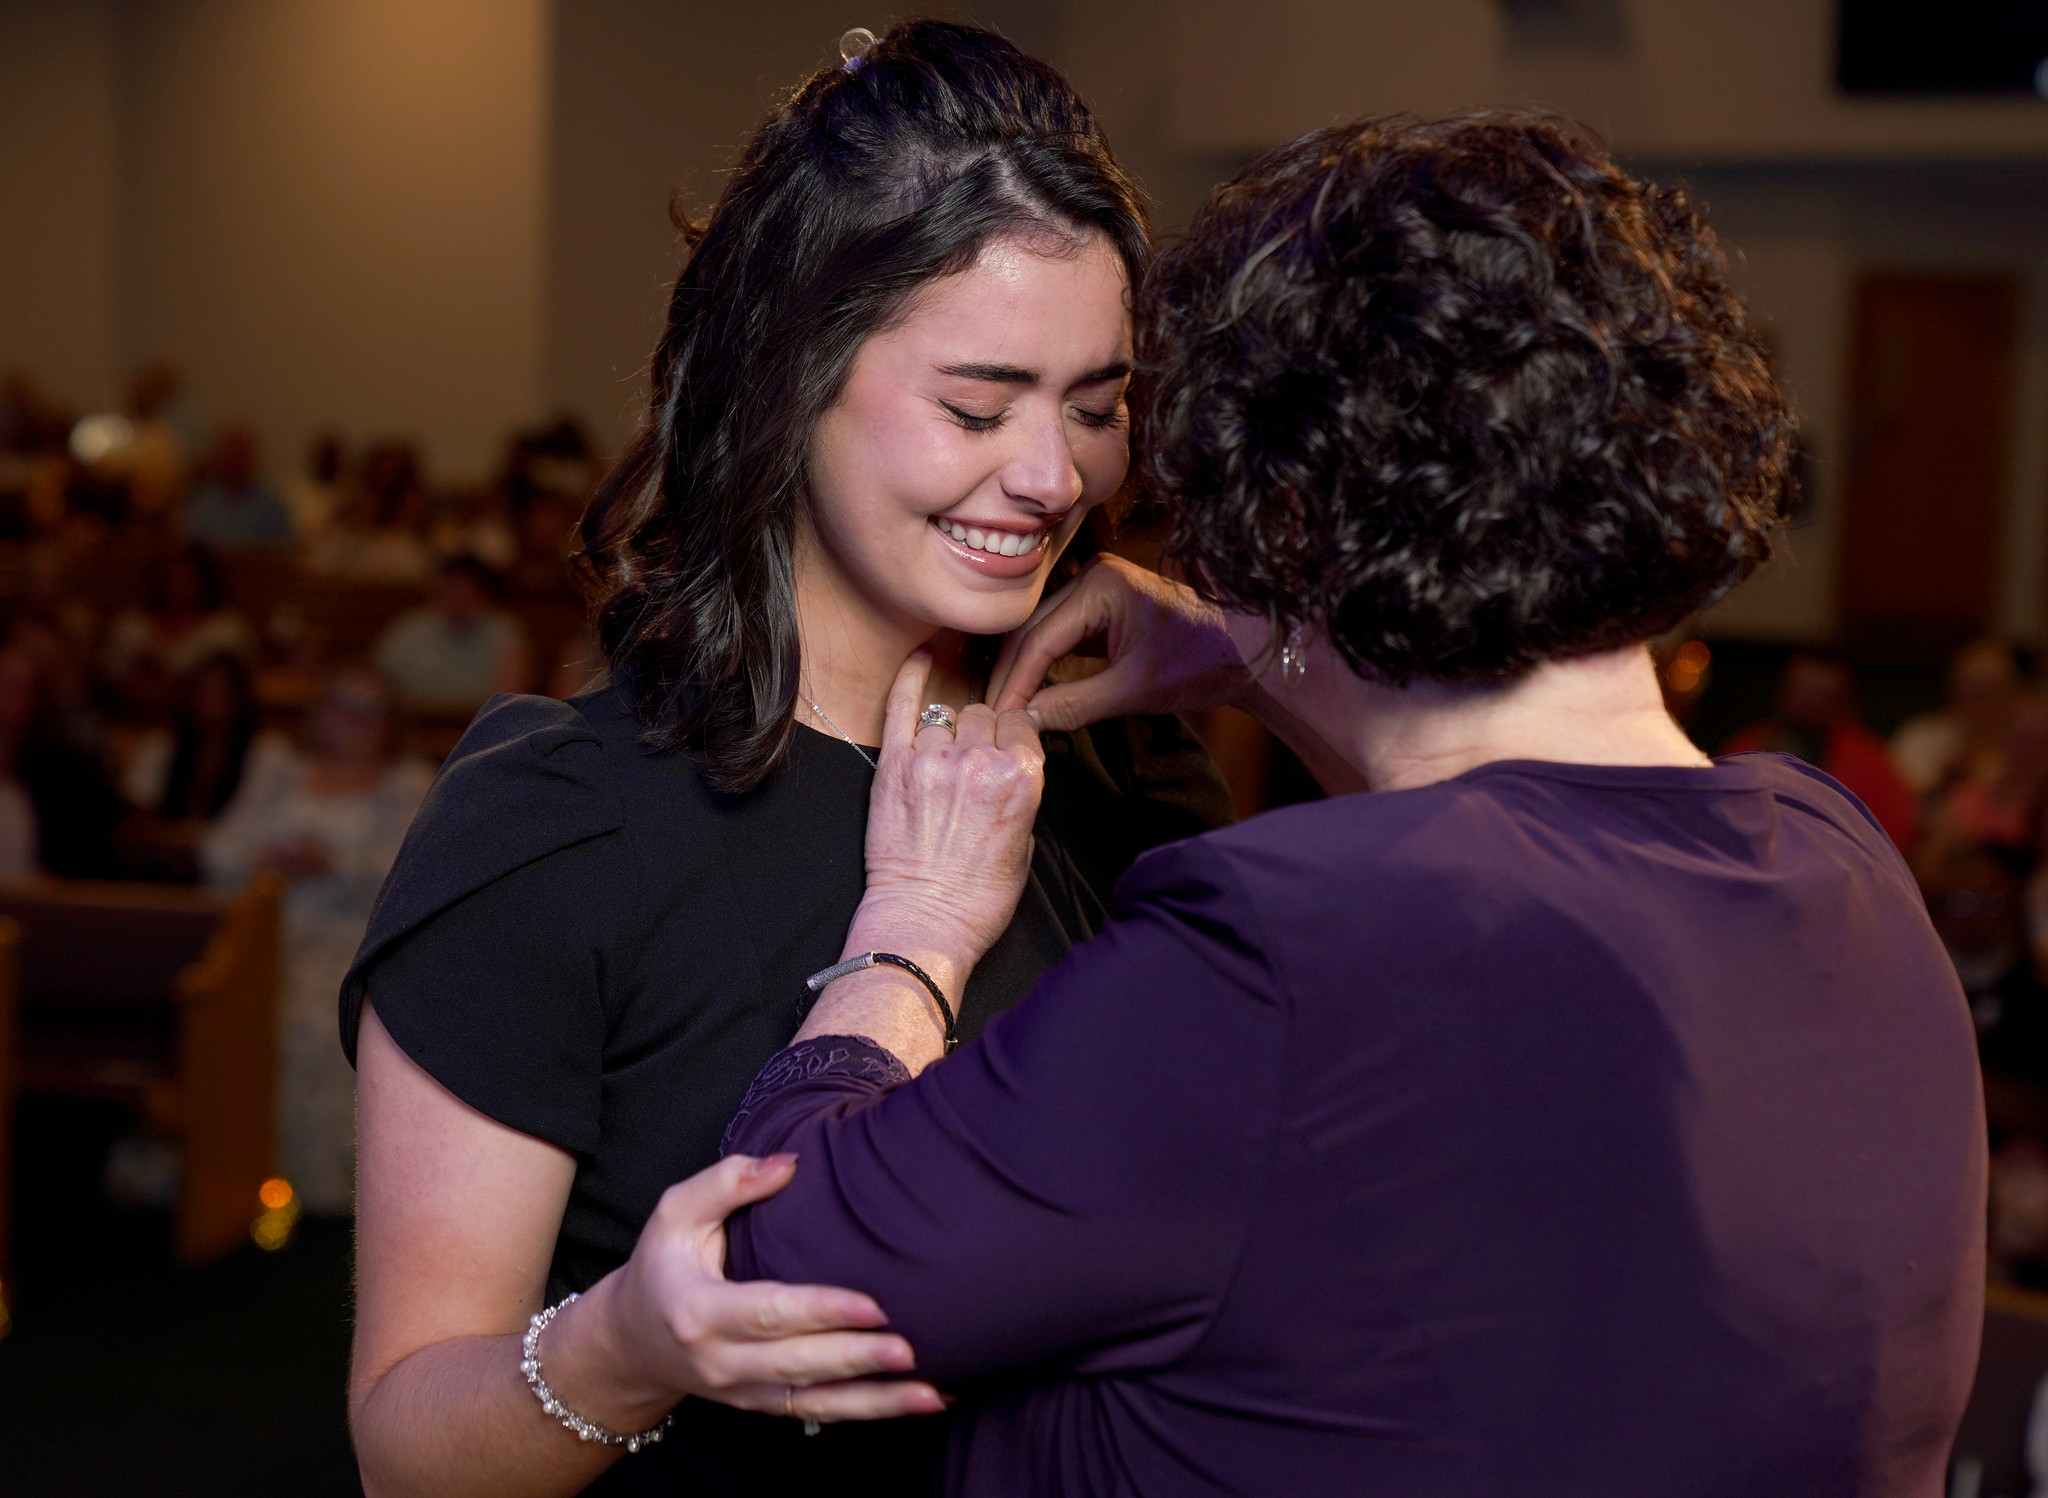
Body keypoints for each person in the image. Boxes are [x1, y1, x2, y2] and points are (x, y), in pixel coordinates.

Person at [717, 113, 1985, 1496]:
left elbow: (778, 1269)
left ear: (1289, 516)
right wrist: (1266, 659)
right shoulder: (1840, 861)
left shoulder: (1299, 940)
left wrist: (910, 930)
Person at [343, 22, 1229, 1498]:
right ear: (790, 373)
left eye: (1096, 404)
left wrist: (1251, 660)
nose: (1052, 475)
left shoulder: (1115, 751)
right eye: (976, 405)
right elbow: (408, 1450)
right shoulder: (564, 820)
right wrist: (623, 1344)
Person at [203, 668, 432, 1215]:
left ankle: (314, 1190)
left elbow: (412, 876)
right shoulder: (279, 771)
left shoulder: (406, 784)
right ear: (318, 715)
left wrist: (331, 866)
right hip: (259, 942)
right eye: (341, 705)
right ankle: (229, 1180)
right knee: (227, 1015)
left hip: (354, 946)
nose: (353, 722)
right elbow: (216, 852)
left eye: (370, 710)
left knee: (311, 1021)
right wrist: (265, 861)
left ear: (390, 725)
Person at [1722, 650, 1918, 850]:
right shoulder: (1746, 747)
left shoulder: (1872, 764)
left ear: (1846, 703)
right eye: (1802, 694)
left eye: (1822, 698)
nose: (1808, 707)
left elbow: (1891, 841)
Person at [371, 553, 532, 713]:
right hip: (411, 728)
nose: (458, 602)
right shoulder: (405, 631)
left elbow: (507, 704)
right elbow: (378, 691)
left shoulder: (506, 634)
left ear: (483, 595)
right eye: (450, 592)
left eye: (466, 594)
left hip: (480, 732)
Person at [1892, 638, 2024, 800]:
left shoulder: (2025, 745)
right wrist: (1951, 774)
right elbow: (1899, 800)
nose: (1979, 704)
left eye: (1989, 692)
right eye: (1970, 692)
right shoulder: (1920, 737)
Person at [184, 423, 295, 550]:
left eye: (240, 455)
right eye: (229, 454)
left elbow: (284, 551)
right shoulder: (203, 503)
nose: (234, 462)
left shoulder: (271, 507)